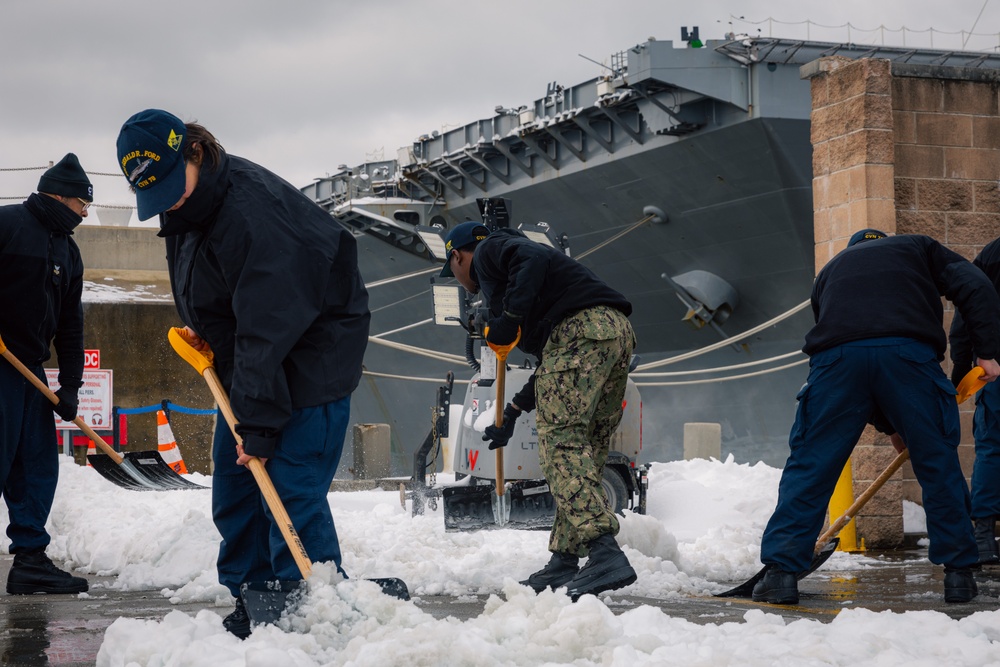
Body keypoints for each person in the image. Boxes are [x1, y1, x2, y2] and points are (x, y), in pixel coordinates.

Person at [116, 110, 370, 638]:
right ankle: (254, 600)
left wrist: (257, 427)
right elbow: (227, 305)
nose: (169, 201)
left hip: (309, 360)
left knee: (289, 491)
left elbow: (267, 329)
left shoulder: (254, 215)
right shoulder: (187, 206)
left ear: (193, 153)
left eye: (169, 185)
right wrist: (202, 328)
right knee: (235, 490)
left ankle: (312, 612)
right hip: (250, 362)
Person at [753, 228, 1000, 605]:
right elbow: (977, 285)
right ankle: (959, 577)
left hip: (835, 361)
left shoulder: (830, 271)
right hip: (909, 356)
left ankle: (781, 574)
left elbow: (858, 359)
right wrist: (986, 353)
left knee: (811, 465)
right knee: (938, 465)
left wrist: (891, 424)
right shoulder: (918, 247)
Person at [440, 220, 638, 599]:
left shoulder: (490, 250)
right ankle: (565, 560)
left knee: (561, 448)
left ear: (457, 255)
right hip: (613, 332)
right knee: (585, 451)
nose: (457, 278)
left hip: (581, 332)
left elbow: (529, 254)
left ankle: (604, 551)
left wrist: (507, 321)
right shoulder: (536, 282)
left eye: (452, 268)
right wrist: (512, 413)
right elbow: (555, 362)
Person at [0, 154, 93, 594]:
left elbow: (71, 325)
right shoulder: (7, 225)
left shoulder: (67, 251)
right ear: (58, 195)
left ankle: (31, 561)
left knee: (36, 466)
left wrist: (70, 384)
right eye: (81, 203)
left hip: (29, 371)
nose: (86, 212)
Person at [949, 236, 1000, 565]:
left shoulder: (994, 254)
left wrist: (963, 365)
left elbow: (968, 309)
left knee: (993, 444)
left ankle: (983, 537)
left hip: (997, 366)